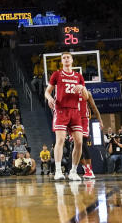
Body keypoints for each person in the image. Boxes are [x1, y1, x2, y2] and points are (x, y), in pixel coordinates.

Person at [45, 53, 86, 181]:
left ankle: (73, 171)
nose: (66, 59)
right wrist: (49, 98)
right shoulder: (56, 74)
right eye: (64, 58)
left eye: (68, 57)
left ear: (72, 60)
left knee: (79, 142)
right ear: (61, 61)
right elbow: (47, 91)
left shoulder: (78, 76)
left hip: (75, 111)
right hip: (61, 110)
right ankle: (58, 171)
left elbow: (85, 97)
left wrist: (82, 88)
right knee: (60, 140)